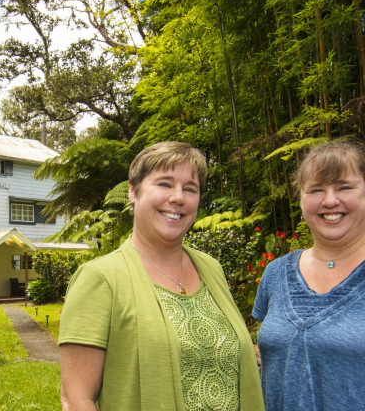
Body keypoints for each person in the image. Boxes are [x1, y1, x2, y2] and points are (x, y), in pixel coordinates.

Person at [59, 141, 264, 411]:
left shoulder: (211, 268)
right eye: (165, 184)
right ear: (133, 192)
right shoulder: (100, 279)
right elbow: (76, 400)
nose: (178, 197)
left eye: (189, 188)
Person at [253, 140, 365, 410]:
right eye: (316, 189)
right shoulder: (275, 273)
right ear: (301, 200)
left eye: (344, 187)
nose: (330, 200)